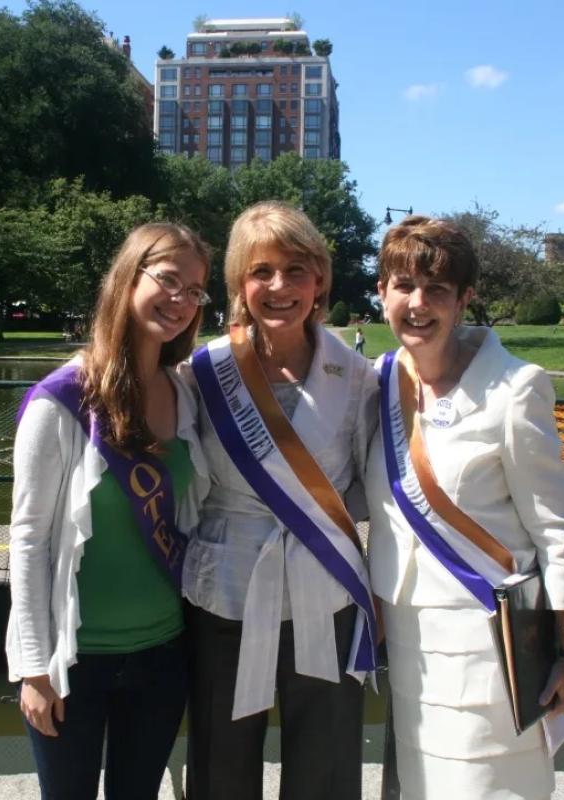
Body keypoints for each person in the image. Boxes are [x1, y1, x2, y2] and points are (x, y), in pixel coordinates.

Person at [365, 216, 564, 800]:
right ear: (381, 293)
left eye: (437, 290)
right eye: (403, 286)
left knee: (490, 785)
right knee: (423, 784)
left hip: (495, 648)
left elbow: (557, 532)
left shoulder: (516, 389)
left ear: (464, 299)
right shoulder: (377, 384)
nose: (418, 303)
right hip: (413, 638)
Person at [6, 222, 212, 800]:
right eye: (168, 279)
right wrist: (33, 668)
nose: (181, 301)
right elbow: (28, 540)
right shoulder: (63, 400)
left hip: (163, 654)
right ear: (128, 279)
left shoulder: (185, 393)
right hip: (74, 661)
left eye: (195, 290)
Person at [183, 201, 380, 800]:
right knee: (221, 759)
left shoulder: (357, 375)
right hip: (224, 590)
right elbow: (186, 483)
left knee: (325, 762)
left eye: (296, 270)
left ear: (320, 279)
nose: (279, 286)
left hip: (325, 585)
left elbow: (364, 487)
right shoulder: (204, 371)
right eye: (261, 270)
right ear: (239, 283)